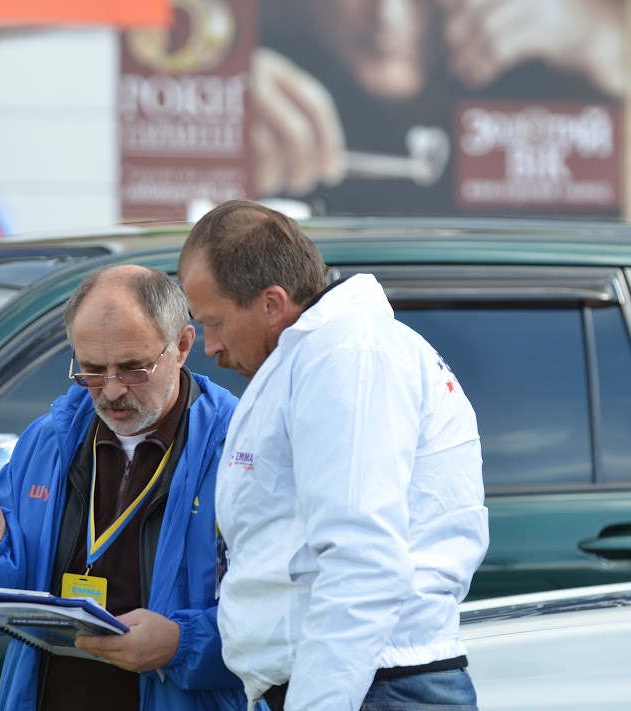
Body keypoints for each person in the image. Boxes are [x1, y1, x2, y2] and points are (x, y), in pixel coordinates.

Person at [177, 200, 490, 711]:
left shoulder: (347, 356)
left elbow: (361, 558)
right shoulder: (323, 354)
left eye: (214, 322)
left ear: (272, 303)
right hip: (361, 683)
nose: (209, 346)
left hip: (373, 687)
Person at [0, 264, 248, 711]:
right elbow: (0, 612)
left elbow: (286, 618)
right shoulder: (46, 441)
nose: (111, 391)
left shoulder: (241, 449)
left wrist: (182, 643)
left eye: (133, 369)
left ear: (181, 346)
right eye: (92, 370)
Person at [252, 0, 623, 213]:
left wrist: (609, 43)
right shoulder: (260, 59)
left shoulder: (555, 70)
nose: (388, 14)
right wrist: (219, 105)